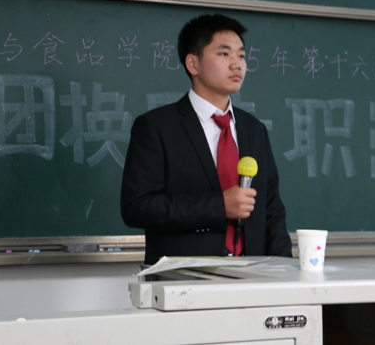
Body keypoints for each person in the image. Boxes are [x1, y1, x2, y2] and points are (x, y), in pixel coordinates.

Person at [121, 14, 292, 265]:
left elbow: (272, 210)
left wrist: (285, 270)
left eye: (241, 56)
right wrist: (219, 206)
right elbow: (137, 207)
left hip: (254, 275)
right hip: (184, 277)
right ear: (193, 64)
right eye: (224, 54)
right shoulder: (157, 127)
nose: (237, 64)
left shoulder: (254, 129)